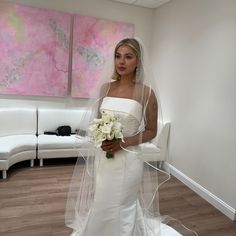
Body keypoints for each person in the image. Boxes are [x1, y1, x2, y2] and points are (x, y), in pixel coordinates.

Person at [65, 38, 196, 236]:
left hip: (128, 159)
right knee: (102, 199)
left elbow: (151, 131)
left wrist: (123, 143)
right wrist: (103, 138)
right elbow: (98, 122)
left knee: (121, 203)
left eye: (128, 57)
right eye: (118, 56)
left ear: (138, 61)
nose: (121, 62)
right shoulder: (106, 89)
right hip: (105, 158)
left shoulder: (147, 93)